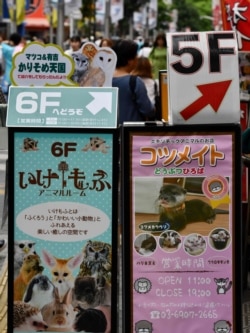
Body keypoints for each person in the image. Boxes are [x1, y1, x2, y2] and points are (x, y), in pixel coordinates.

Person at [112, 39, 155, 124]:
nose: (137, 59)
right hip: (130, 133)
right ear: (130, 61)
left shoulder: (102, 80)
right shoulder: (134, 82)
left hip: (109, 133)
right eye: (135, 55)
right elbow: (147, 110)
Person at [1, 32, 22, 99]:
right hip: (19, 78)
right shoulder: (21, 50)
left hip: (9, 77)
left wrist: (7, 41)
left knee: (8, 97)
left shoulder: (8, 50)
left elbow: (2, 44)